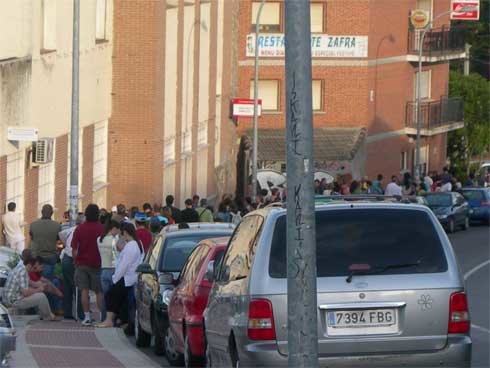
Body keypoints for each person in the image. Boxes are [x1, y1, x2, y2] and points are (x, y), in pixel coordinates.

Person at [97, 223, 144, 328]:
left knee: (110, 295)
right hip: (130, 277)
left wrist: (115, 278)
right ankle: (118, 320)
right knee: (120, 299)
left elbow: (124, 265)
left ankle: (109, 320)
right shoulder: (136, 244)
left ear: (125, 233)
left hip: (126, 277)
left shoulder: (131, 246)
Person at [72, 204, 105, 326]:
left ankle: (86, 317)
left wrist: (75, 261)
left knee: (84, 290)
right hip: (98, 263)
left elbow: (74, 249)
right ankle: (102, 316)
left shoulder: (80, 228)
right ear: (98, 215)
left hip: (82, 263)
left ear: (86, 214)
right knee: (99, 291)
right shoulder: (102, 228)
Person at [4, 249, 59, 321]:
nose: (35, 270)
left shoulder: (22, 268)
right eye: (34, 267)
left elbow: (29, 282)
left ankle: (44, 314)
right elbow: (25, 293)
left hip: (11, 298)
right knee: (41, 296)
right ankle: (48, 316)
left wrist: (39, 285)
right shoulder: (23, 272)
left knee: (36, 292)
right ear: (30, 265)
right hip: (13, 301)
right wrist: (38, 289)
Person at [59, 214, 84, 320]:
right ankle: (80, 313)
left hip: (66, 258)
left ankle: (68, 312)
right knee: (77, 286)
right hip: (72, 259)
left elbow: (60, 234)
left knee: (67, 286)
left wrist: (66, 245)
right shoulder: (81, 231)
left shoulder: (71, 229)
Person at [29, 204, 61, 286]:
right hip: (51, 256)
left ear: (41, 212)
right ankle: (48, 296)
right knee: (48, 281)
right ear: (52, 213)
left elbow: (32, 238)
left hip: (37, 257)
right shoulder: (57, 226)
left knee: (36, 281)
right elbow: (59, 240)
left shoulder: (33, 225)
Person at [97, 220, 121, 322]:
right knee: (114, 297)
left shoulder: (99, 239)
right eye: (118, 229)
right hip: (114, 270)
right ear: (114, 228)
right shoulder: (115, 239)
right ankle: (113, 319)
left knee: (105, 297)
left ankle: (103, 318)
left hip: (103, 270)